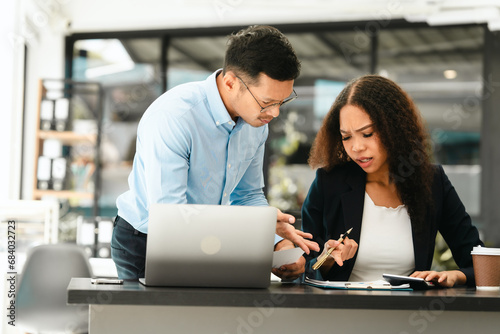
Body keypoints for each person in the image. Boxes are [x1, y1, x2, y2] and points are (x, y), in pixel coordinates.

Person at [111, 25, 319, 280]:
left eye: (282, 102)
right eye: (267, 102)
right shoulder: (174, 117)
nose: (275, 113)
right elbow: (171, 218)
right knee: (157, 320)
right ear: (231, 82)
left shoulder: (256, 123)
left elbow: (247, 196)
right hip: (145, 239)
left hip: (207, 237)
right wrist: (253, 226)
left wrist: (278, 244)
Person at [301, 74, 484, 287]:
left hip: (406, 313)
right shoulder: (329, 183)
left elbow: (479, 264)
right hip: (341, 313)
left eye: (367, 134)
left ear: (394, 129)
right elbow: (303, 269)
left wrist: (455, 276)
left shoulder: (432, 183)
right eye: (346, 137)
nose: (356, 147)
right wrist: (327, 260)